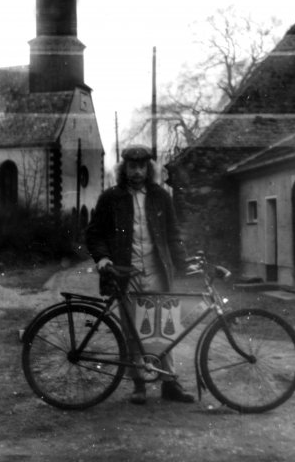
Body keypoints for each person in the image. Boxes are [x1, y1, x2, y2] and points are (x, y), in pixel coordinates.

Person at [86, 144, 195, 405]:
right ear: (124, 168)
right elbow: (94, 233)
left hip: (158, 272)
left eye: (142, 166)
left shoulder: (161, 196)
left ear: (149, 168)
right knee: (133, 331)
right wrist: (102, 258)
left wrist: (184, 264)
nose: (137, 171)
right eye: (132, 167)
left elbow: (172, 234)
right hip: (126, 274)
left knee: (165, 327)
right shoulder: (111, 197)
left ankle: (169, 383)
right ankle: (139, 385)